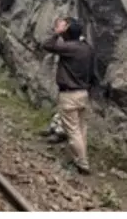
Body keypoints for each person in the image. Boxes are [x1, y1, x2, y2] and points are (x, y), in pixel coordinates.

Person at [42, 17, 95, 175]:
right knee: (81, 128)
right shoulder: (87, 48)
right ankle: (80, 158)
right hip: (84, 94)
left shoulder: (69, 48)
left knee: (72, 131)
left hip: (69, 95)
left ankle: (83, 163)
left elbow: (47, 45)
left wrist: (57, 33)